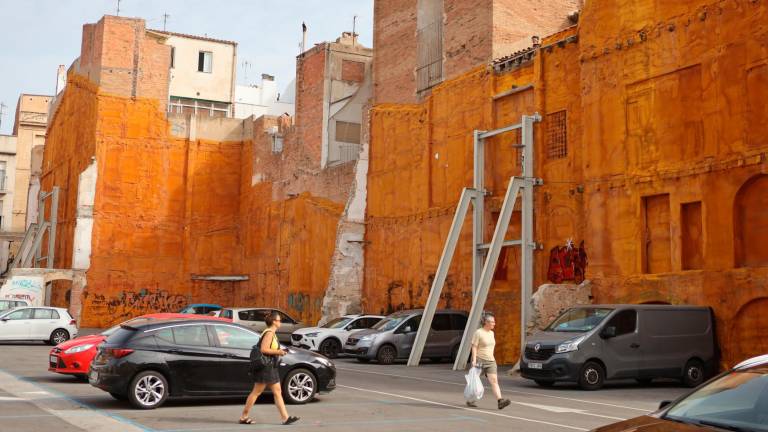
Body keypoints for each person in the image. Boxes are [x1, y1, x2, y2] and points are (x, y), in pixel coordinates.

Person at [239, 311, 300, 425]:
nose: (280, 322)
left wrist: (279, 352)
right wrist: (279, 352)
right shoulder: (269, 333)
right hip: (265, 367)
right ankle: (244, 416)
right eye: (279, 320)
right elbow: (264, 349)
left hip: (270, 366)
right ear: (274, 322)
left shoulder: (271, 332)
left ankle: (285, 418)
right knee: (256, 392)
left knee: (277, 392)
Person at [468, 312, 511, 410]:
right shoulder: (478, 332)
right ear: (486, 322)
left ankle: (500, 401)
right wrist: (474, 360)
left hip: (491, 361)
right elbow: (474, 347)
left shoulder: (492, 333)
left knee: (494, 381)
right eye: (492, 322)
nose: (494, 323)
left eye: (494, 322)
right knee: (474, 381)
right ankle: (470, 399)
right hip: (479, 360)